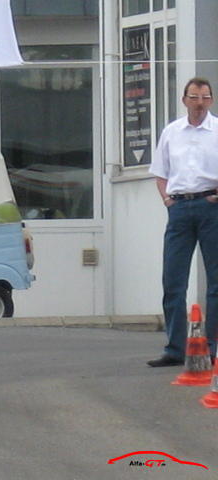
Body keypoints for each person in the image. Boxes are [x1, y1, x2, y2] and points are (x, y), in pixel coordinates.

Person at [147, 77, 218, 367]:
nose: (199, 103)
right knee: (173, 279)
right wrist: (167, 200)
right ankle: (175, 348)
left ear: (211, 100)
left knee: (216, 281)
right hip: (179, 207)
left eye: (205, 97)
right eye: (194, 97)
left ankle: (211, 347)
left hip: (211, 206)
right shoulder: (172, 132)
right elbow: (160, 171)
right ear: (184, 100)